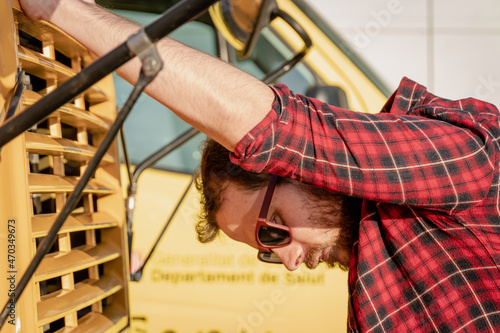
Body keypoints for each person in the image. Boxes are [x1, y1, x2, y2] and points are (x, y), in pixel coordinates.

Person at [19, 0, 500, 331]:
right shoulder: (368, 287)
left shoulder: (462, 158)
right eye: (268, 250)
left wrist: (62, 12)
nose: (289, 263)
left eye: (273, 233)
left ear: (293, 167)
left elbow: (274, 125)